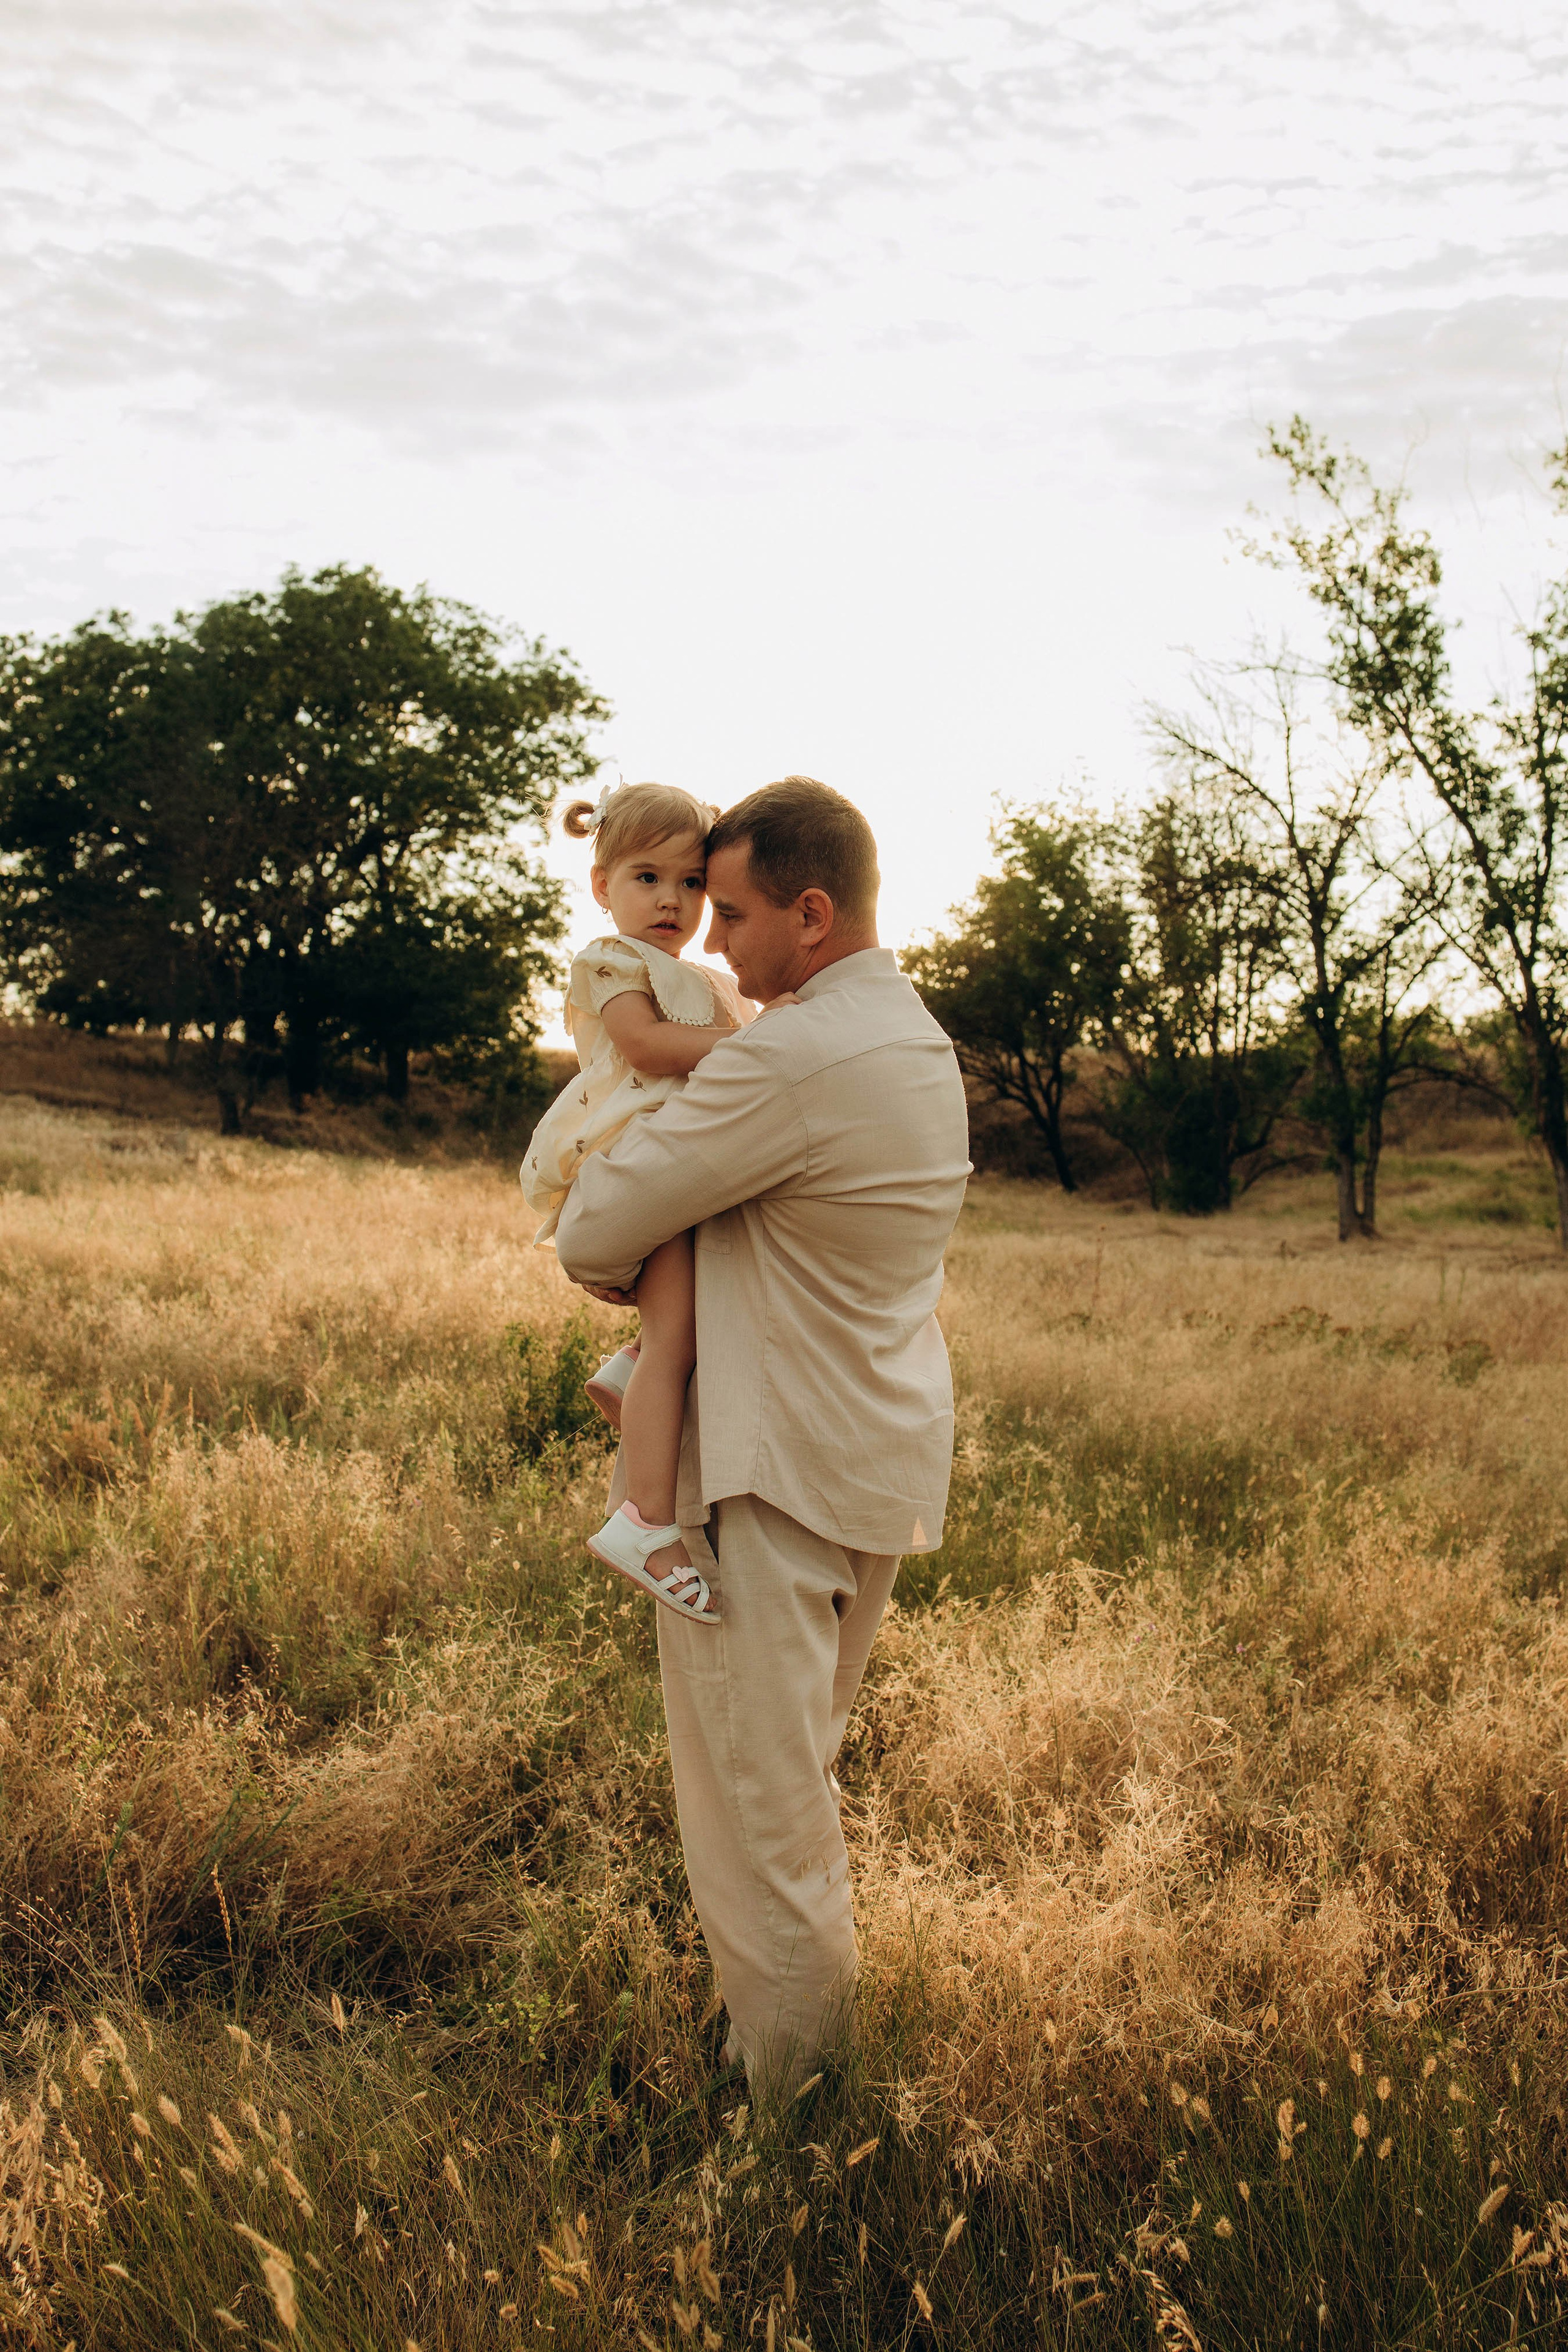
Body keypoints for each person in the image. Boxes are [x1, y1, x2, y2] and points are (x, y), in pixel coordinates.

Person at [556, 775, 971, 2094]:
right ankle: (775, 2055)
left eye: (729, 916)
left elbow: (591, 1228)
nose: (709, 946)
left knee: (760, 1825)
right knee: (787, 1792)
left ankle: (795, 2137)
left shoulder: (794, 1053)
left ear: (808, 911)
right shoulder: (912, 1038)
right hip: (868, 1458)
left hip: (768, 1481)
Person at [521, 778, 754, 1623]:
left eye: (692, 884)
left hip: (678, 1164)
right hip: (633, 1156)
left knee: (682, 1320)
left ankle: (629, 1370)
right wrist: (751, 1040)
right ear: (602, 887)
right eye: (647, 879)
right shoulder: (611, 960)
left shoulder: (700, 976)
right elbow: (648, 1047)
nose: (672, 901)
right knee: (677, 1341)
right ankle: (645, 1523)